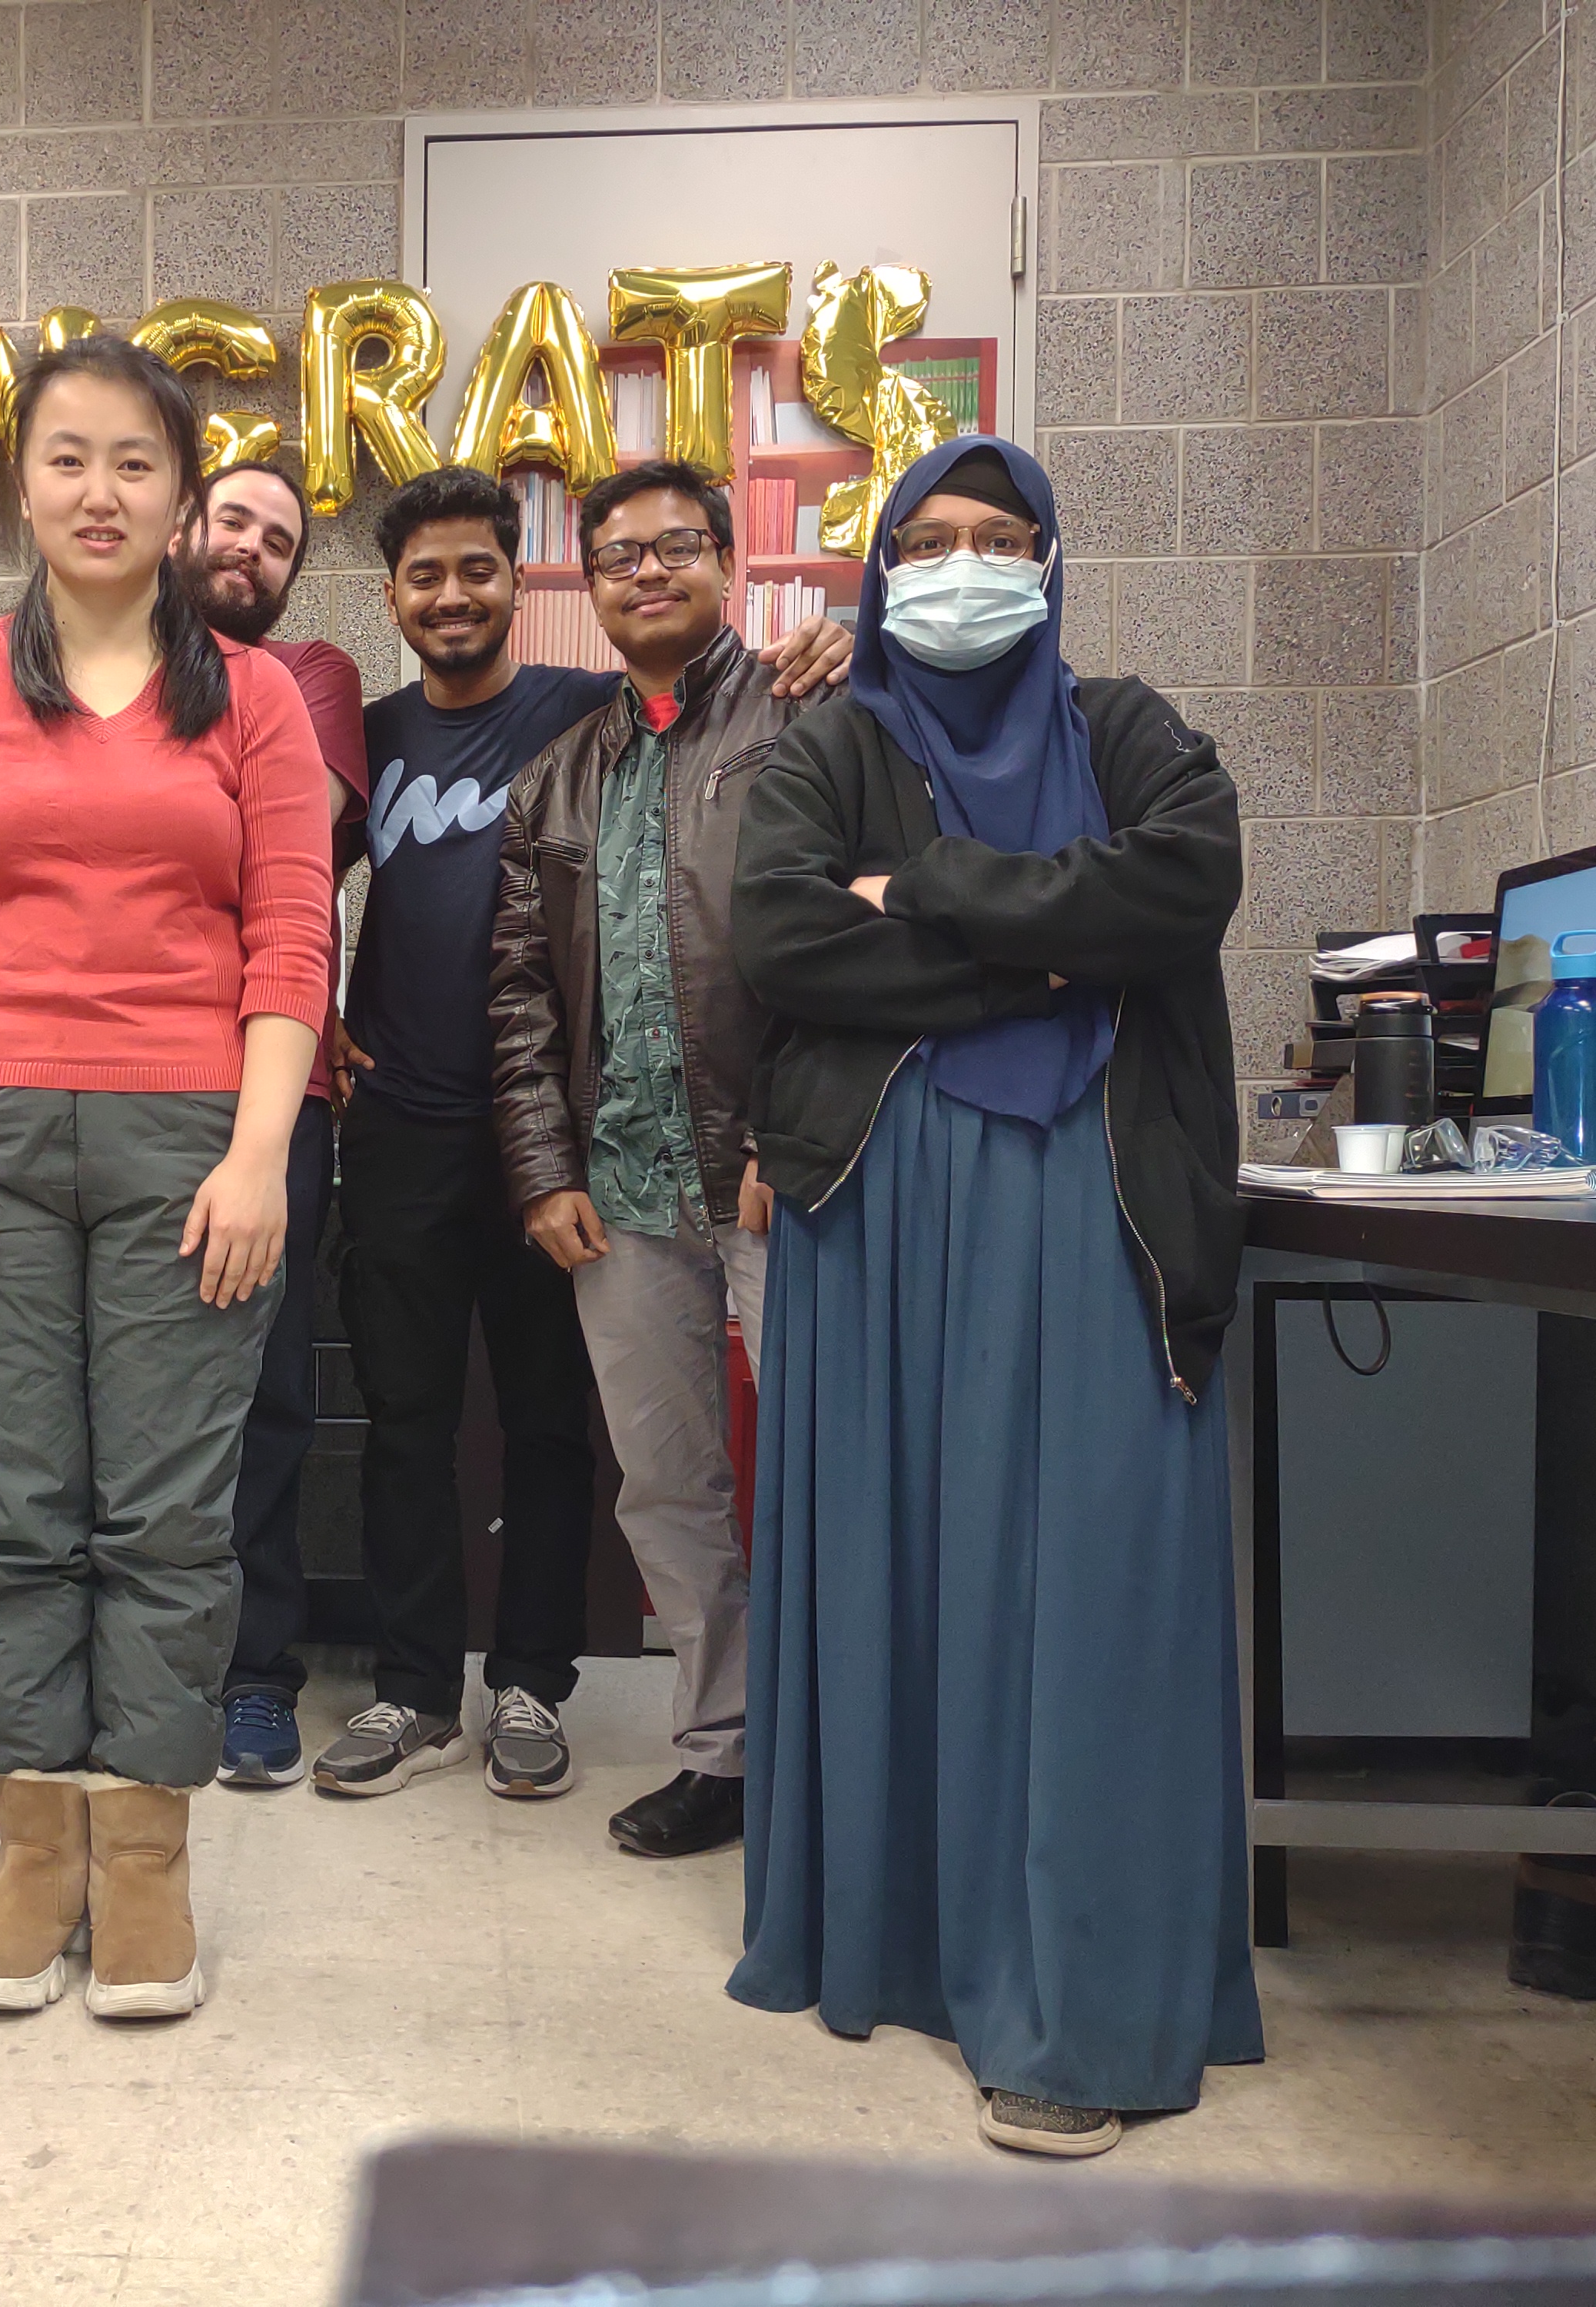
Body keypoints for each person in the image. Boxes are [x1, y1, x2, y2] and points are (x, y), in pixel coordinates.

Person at [727, 435, 1261, 2156]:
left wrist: (943, 891)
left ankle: (1076, 2001)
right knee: (903, 1565)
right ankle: (901, 1940)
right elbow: (784, 940)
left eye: (999, 538)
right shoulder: (830, 744)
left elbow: (1184, 886)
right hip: (877, 1219)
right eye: (930, 540)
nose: (963, 567)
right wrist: (1055, 956)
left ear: (1049, 560)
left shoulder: (1128, 730)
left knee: (1083, 1581)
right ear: (883, 569)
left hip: (1100, 1207)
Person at [0, 336, 331, 2021]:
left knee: (166, 1515)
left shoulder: (254, 700)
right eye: (67, 457)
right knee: (7, 1511)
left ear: (180, 493)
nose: (99, 491)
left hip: (190, 1144)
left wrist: (261, 1156)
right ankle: (29, 1850)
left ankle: (142, 1857)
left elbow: (291, 939)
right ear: (20, 484)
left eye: (136, 461)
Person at [316, 464, 846, 1811]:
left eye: (477, 570)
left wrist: (857, 637)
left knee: (560, 1424)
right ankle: (419, 1691)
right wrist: (304, 1011)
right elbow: (272, 879)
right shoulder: (390, 741)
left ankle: (535, 1686)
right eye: (424, 576)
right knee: (411, 1421)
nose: (452, 595)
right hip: (435, 1130)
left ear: (522, 582)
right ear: (393, 596)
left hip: (605, 1143)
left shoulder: (591, 712)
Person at [485, 458, 845, 1856]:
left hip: (779, 1177)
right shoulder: (555, 777)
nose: (648, 571)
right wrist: (543, 1172)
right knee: (669, 1487)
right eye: (618, 555)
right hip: (621, 1194)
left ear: (728, 563)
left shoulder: (809, 717)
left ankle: (849, 1756)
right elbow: (521, 995)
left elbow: (849, 939)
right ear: (587, 583)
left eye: (676, 546)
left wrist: (790, 1126)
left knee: (830, 1469)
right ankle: (725, 1754)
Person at [177, 456, 371, 1789]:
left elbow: (283, 838)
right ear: (181, 530)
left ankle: (255, 1674)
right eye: (232, 520)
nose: (252, 546)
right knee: (108, 1394)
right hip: (116, 1080)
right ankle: (136, 1668)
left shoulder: (311, 677)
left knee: (265, 1393)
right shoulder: (83, 666)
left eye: (280, 538)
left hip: (274, 1087)